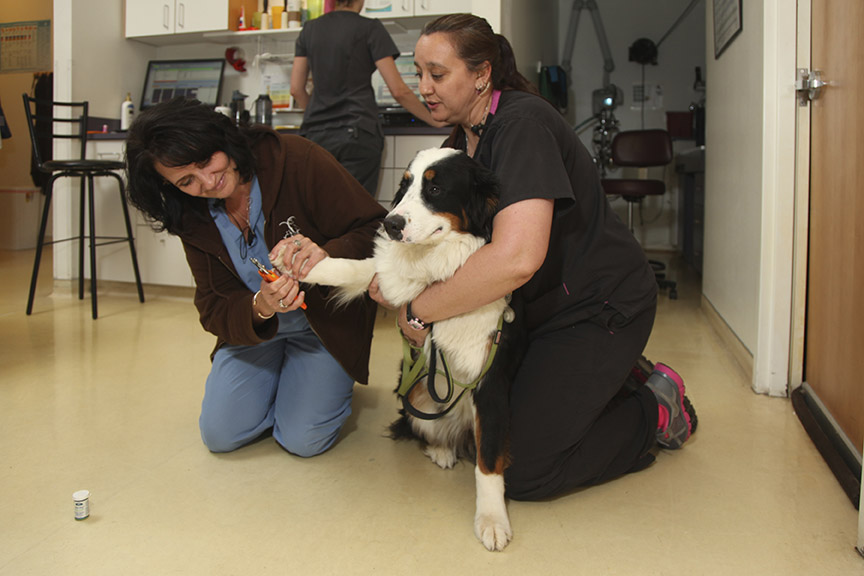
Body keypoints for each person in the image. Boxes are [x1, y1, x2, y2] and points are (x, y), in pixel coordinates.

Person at [371, 13, 696, 501]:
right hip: (536, 309)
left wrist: (418, 310)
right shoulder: (459, 141)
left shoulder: (522, 126)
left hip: (599, 304)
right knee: (495, 425)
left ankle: (656, 407)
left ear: (482, 74)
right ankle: (617, 379)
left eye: (437, 74)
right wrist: (392, 274)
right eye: (419, 73)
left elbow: (516, 259)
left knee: (524, 470)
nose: (424, 87)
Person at [125, 98, 386, 457]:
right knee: (220, 436)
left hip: (324, 326)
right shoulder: (189, 213)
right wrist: (261, 307)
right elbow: (213, 305)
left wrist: (327, 253)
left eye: (205, 161)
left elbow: (376, 228)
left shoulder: (296, 159)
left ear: (220, 137)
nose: (207, 182)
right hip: (257, 333)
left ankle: (313, 383)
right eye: (187, 180)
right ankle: (287, 382)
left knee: (302, 441)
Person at [290, 0, 445, 196]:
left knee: (319, 206)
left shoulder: (309, 29)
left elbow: (296, 89)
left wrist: (317, 116)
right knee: (356, 207)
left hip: (315, 137)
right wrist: (434, 119)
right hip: (357, 133)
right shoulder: (369, 28)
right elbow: (398, 91)